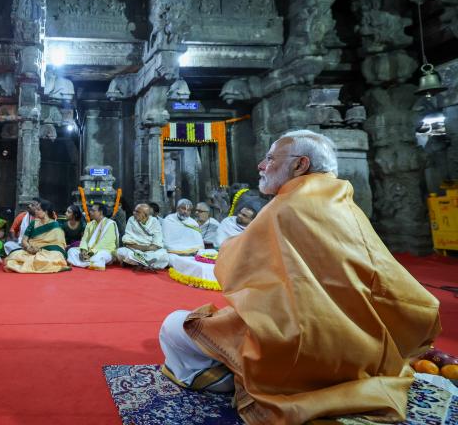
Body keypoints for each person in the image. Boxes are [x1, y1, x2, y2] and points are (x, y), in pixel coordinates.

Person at [158, 129, 441, 424]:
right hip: (364, 353)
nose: (261, 166)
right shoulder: (345, 204)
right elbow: (395, 285)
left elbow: (232, 265)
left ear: (300, 165)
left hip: (300, 348)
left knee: (175, 325)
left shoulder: (285, 207)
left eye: (270, 158)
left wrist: (229, 248)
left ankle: (237, 379)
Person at [4, 199, 70, 273]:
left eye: (38, 209)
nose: (35, 211)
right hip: (32, 250)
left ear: (46, 212)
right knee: (14, 256)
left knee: (54, 257)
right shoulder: (33, 223)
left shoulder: (55, 225)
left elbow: (59, 244)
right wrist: (29, 248)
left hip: (50, 252)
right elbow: (24, 240)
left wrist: (41, 249)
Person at [116, 203, 168, 269]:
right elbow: (127, 239)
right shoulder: (131, 219)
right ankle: (146, 263)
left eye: (137, 212)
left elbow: (157, 241)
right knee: (121, 251)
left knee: (164, 255)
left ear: (145, 214)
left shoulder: (154, 221)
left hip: (151, 251)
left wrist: (149, 249)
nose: (134, 213)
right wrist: (144, 248)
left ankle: (140, 262)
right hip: (135, 250)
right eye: (134, 211)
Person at [67, 204, 118, 270]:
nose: (90, 212)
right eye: (90, 210)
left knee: (99, 256)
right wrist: (83, 251)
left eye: (93, 211)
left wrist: (90, 254)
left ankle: (82, 262)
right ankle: (91, 263)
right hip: (88, 251)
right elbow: (84, 239)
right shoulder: (90, 224)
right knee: (71, 251)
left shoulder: (109, 224)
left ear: (101, 212)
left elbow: (104, 244)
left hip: (104, 251)